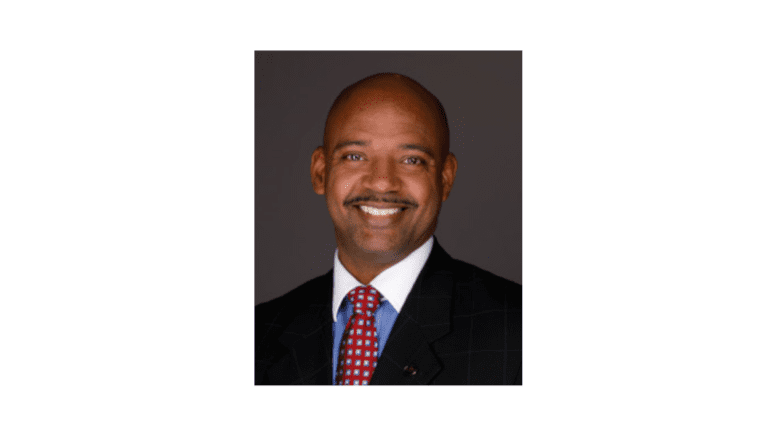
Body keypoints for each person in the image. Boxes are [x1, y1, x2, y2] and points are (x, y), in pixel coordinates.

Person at [255, 73, 521, 385]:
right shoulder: (257, 334)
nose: (382, 181)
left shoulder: (519, 332)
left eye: (411, 160)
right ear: (320, 172)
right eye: (355, 156)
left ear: (445, 179)